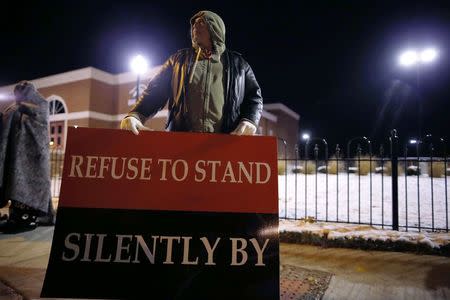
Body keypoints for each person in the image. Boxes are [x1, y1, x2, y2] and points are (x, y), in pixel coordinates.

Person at [120, 10, 262, 135]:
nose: (195, 26)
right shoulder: (178, 61)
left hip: (224, 143)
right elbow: (155, 91)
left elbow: (254, 96)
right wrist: (135, 115)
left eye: (201, 22)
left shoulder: (239, 64)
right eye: (194, 23)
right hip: (181, 141)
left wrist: (250, 120)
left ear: (216, 28)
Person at [0, 81, 55, 233]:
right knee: (17, 184)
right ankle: (19, 217)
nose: (17, 94)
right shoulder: (15, 108)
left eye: (21, 91)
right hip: (18, 155)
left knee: (30, 187)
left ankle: (26, 220)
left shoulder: (39, 105)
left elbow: (37, 123)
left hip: (34, 156)